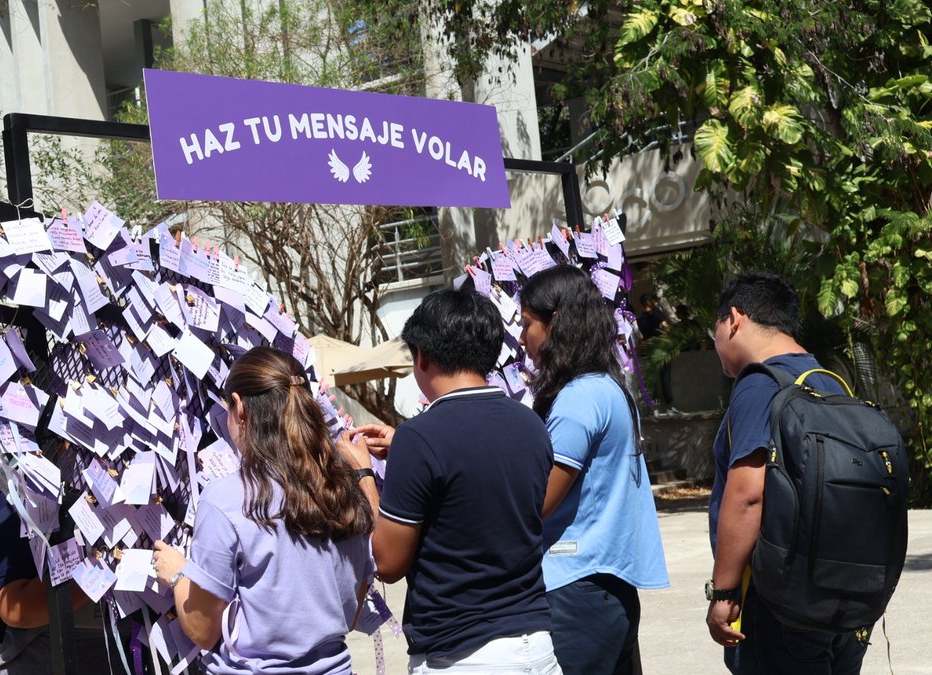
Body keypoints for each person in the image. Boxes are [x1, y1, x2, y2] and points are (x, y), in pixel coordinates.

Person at [339, 287, 562, 674]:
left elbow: (388, 562)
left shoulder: (421, 437)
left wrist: (362, 475)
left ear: (422, 355)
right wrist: (406, 450)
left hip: (463, 655)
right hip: (536, 645)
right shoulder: (531, 425)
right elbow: (478, 482)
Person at [152, 346, 375, 674]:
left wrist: (177, 574)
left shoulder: (225, 498)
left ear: (239, 408)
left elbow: (203, 630)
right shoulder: (343, 489)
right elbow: (351, 612)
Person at [705, 271, 867, 674]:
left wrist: (723, 592)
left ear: (734, 319)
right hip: (843, 595)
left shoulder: (760, 385)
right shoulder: (828, 382)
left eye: (715, 336)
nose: (717, 352)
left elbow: (748, 494)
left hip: (779, 604)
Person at [518, 265, 669, 674]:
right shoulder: (607, 387)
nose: (521, 339)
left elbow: (537, 503)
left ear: (555, 323)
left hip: (576, 586)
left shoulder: (578, 399)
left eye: (527, 324)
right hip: (607, 586)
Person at [0, 487, 115, 674]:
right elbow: (13, 607)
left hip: (99, 651)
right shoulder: (14, 502)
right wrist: (106, 567)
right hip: (38, 660)